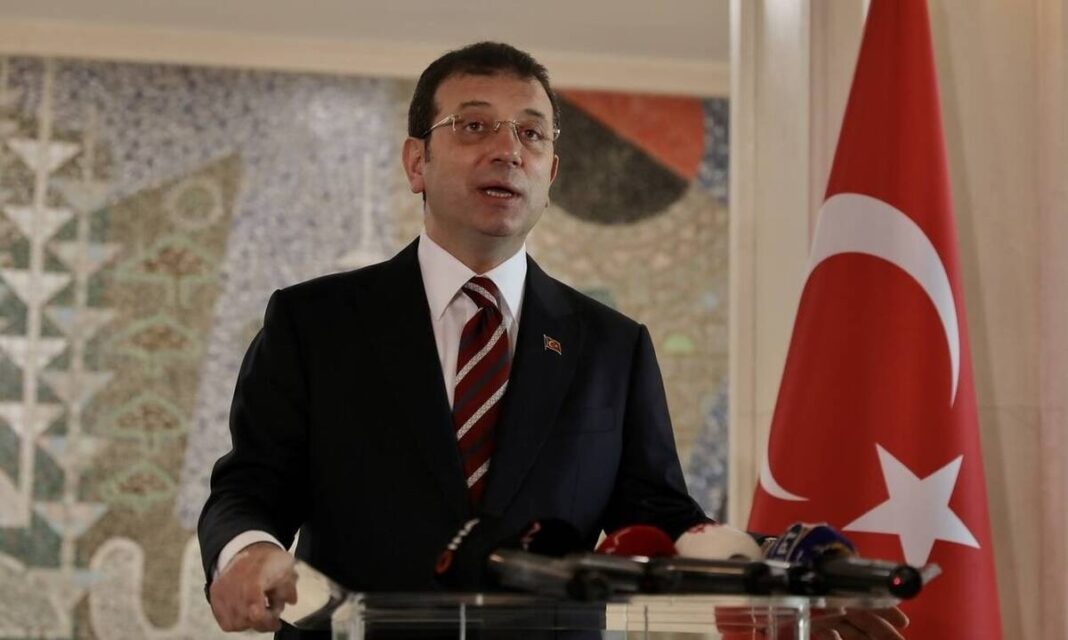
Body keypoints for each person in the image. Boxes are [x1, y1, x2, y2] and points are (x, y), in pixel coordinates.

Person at [198, 42, 909, 640]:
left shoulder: (612, 347)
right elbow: (251, 487)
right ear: (417, 162)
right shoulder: (316, 322)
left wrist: (784, 592)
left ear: (552, 173)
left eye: (532, 134)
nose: (508, 150)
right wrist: (247, 552)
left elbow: (661, 522)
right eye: (474, 126)